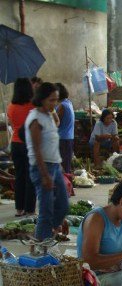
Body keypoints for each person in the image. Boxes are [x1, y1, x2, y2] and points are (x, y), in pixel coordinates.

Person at [25, 82, 69, 241]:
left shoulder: (48, 115)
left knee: (63, 205)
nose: (55, 104)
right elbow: (37, 150)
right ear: (42, 99)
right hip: (41, 167)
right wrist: (44, 175)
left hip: (54, 166)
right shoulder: (35, 119)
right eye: (51, 100)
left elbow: (56, 126)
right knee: (46, 210)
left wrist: (59, 164)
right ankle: (42, 244)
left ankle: (48, 233)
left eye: (56, 100)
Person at [7, 78, 36, 217]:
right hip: (29, 143)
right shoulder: (32, 106)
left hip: (15, 143)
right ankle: (30, 209)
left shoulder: (11, 106)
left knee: (19, 177)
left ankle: (19, 209)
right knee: (30, 177)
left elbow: (13, 126)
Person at [55, 82, 75, 175]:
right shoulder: (68, 102)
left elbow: (56, 123)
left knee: (63, 165)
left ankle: (66, 185)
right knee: (66, 164)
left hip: (62, 138)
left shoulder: (61, 106)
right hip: (68, 137)